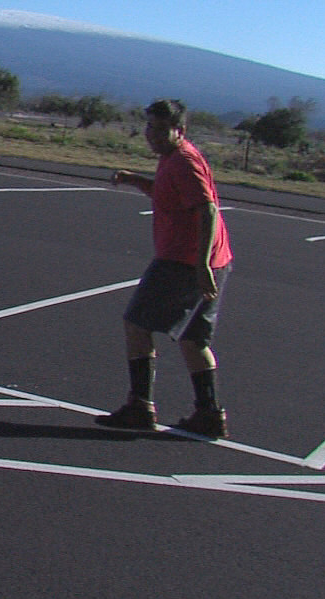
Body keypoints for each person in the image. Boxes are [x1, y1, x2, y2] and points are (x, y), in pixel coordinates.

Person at [97, 99, 232, 439]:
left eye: (159, 129)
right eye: (149, 128)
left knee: (136, 324)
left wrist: (200, 265)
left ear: (179, 130)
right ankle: (210, 413)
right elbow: (171, 196)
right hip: (215, 259)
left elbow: (207, 211)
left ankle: (140, 406)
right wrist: (136, 181)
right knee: (193, 340)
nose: (151, 135)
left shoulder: (184, 161)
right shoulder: (173, 159)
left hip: (184, 262)